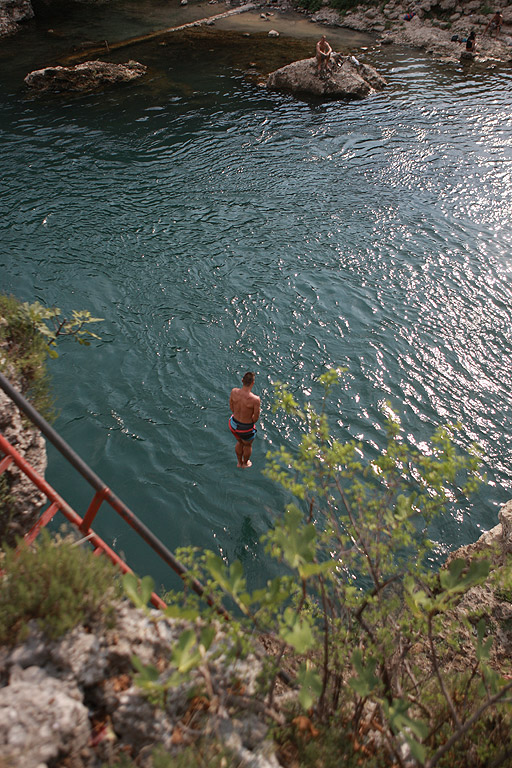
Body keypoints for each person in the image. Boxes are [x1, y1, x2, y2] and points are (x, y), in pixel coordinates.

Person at [229, 371, 260, 468]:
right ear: (253, 383)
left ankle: (239, 462)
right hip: (245, 428)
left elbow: (231, 408)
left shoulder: (234, 391)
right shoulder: (255, 399)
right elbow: (255, 419)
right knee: (247, 445)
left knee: (239, 442)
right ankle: (245, 463)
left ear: (242, 380)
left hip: (233, 424)